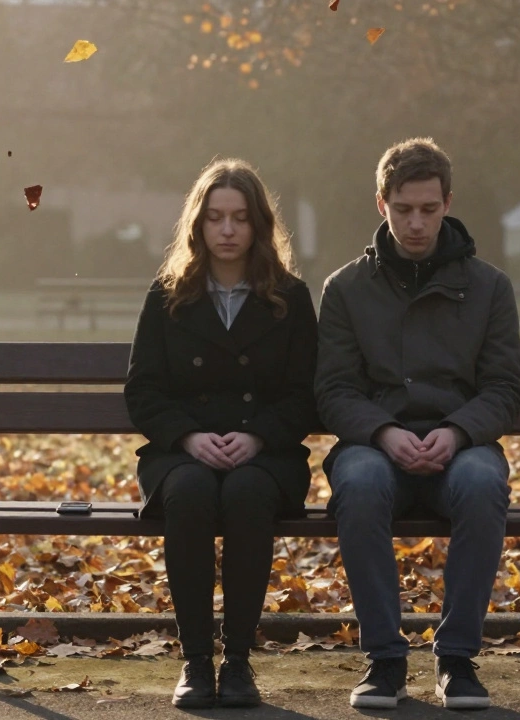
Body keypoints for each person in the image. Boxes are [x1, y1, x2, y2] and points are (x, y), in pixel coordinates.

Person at [314, 138, 520, 710]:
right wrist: (384, 431)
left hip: (463, 444)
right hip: (373, 444)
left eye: (429, 210)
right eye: (403, 208)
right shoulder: (346, 288)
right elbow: (332, 389)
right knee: (356, 486)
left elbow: (505, 388)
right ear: (380, 204)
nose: (416, 223)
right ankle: (384, 661)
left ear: (448, 203)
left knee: (484, 485)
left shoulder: (488, 287)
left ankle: (456, 659)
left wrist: (456, 432)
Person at [124, 158, 318, 708]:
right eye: (215, 218)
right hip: (182, 453)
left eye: (239, 218)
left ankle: (236, 662)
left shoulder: (290, 297)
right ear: (198, 225)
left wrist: (256, 437)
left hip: (268, 453)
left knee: (247, 492)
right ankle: (195, 661)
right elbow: (143, 391)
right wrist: (188, 437)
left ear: (258, 224)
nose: (228, 230)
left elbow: (305, 394)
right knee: (189, 494)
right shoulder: (167, 297)